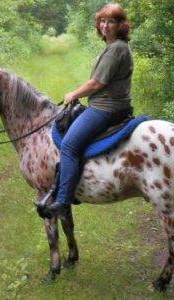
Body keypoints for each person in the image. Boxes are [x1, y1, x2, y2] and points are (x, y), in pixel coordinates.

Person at [46, 3, 133, 217]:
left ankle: (63, 201)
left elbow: (96, 84)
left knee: (69, 145)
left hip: (106, 108)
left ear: (120, 25)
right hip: (110, 105)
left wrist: (73, 94)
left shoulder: (117, 49)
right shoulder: (113, 46)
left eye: (111, 21)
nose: (105, 25)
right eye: (102, 21)